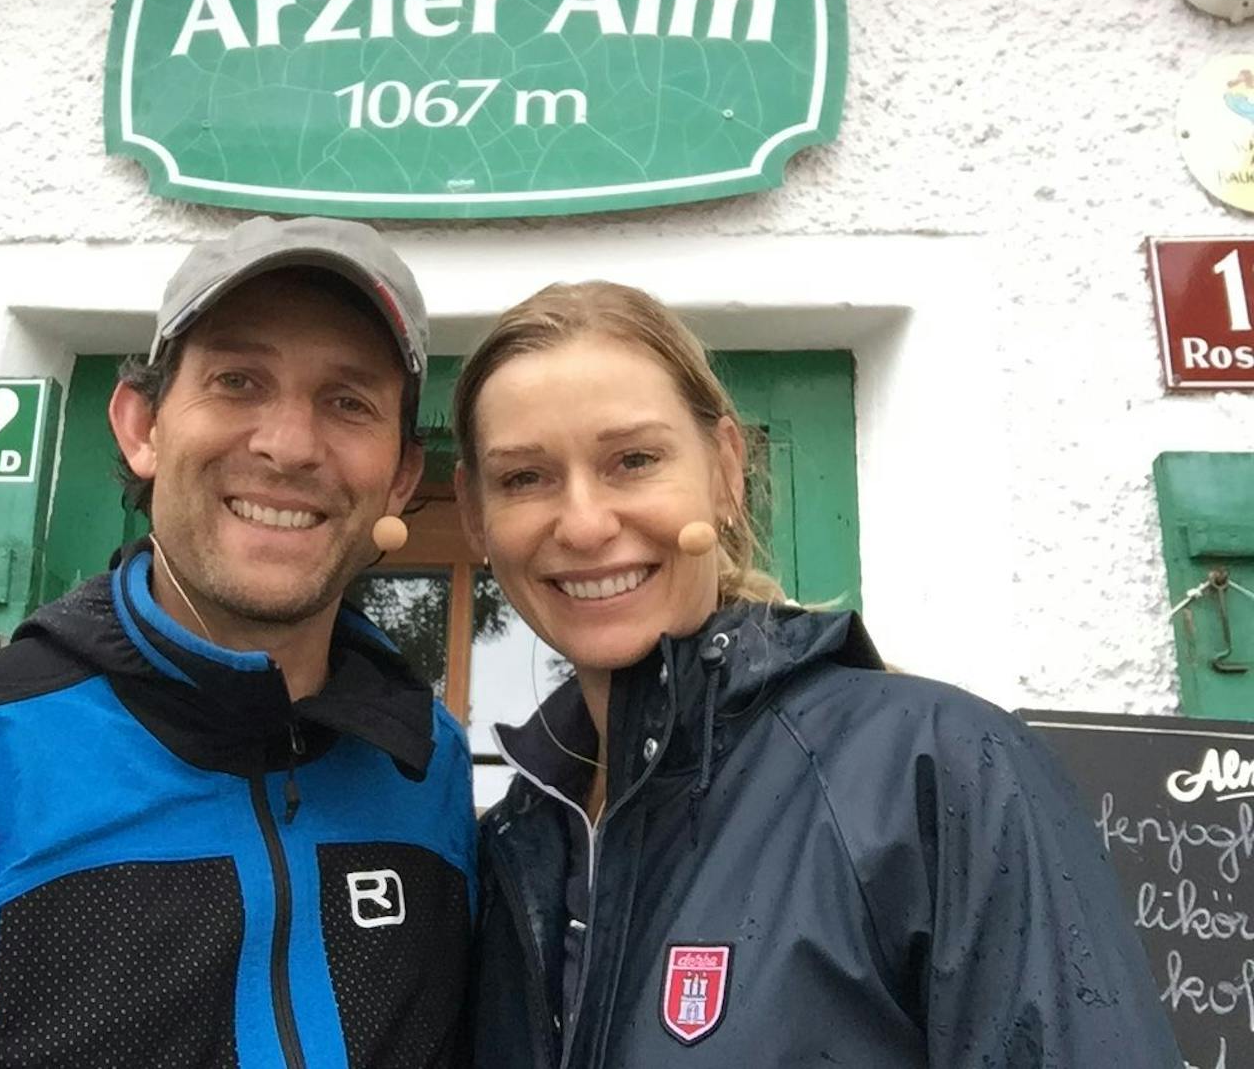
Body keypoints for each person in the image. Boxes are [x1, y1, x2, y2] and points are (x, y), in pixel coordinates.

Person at [0, 216, 476, 1068]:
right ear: (141, 426)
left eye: (348, 402)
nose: (289, 445)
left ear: (404, 475)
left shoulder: (428, 767)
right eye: (237, 380)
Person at [453, 281, 1182, 1067]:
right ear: (474, 513)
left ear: (726, 470)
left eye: (633, 460)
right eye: (525, 478)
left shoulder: (937, 770)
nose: (586, 523)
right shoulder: (514, 842)